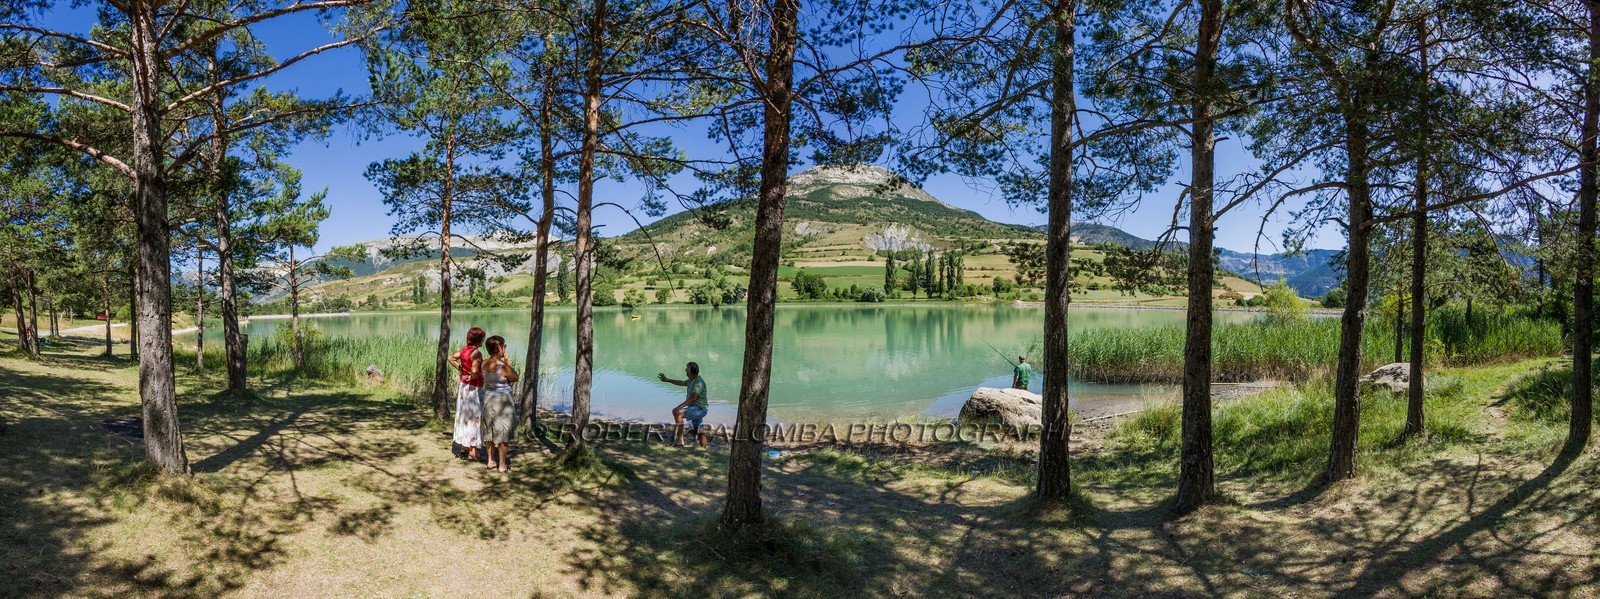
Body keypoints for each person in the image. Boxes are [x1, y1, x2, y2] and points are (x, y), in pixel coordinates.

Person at [480, 335, 519, 472]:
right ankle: (502, 465)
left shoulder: (483, 363)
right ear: (499, 348)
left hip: (489, 399)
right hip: (503, 401)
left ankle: (490, 461)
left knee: (489, 430)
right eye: (504, 346)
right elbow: (515, 377)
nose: (505, 349)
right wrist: (507, 361)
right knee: (503, 432)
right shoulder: (502, 367)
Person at [448, 327, 486, 461]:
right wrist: (471, 374)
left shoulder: (464, 350)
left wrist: (462, 370)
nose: (483, 340)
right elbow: (475, 373)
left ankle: (465, 447)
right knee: (474, 418)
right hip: (473, 389)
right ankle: (473, 452)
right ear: (478, 339)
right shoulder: (476, 353)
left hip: (463, 387)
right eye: (482, 338)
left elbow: (451, 357)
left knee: (465, 416)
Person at [657, 362, 708, 448]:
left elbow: (693, 397)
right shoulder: (692, 380)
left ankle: (680, 441)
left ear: (691, 372)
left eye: (686, 369)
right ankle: (704, 447)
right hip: (696, 408)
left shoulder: (698, 382)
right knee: (699, 428)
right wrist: (668, 380)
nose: (685, 371)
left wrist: (679, 407)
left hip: (699, 409)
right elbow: (681, 382)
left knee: (678, 413)